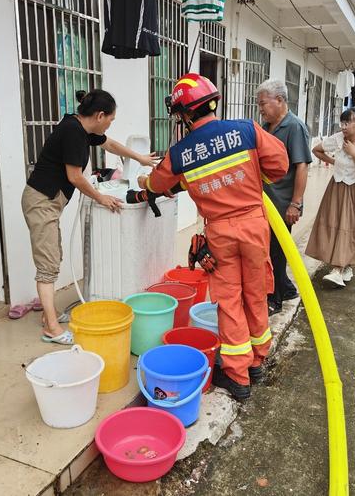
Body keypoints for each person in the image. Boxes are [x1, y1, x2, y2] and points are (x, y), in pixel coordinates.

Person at [137, 73, 288, 401]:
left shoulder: (180, 153)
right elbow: (279, 166)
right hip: (254, 224)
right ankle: (258, 361)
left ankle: (238, 377)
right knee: (256, 292)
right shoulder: (246, 130)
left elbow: (158, 184)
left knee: (230, 301)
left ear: (186, 114)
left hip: (220, 232)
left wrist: (143, 185)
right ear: (212, 102)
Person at [22, 89, 158, 344]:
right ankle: (51, 328)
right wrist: (101, 197)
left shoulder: (79, 127)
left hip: (47, 201)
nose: (110, 124)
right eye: (111, 119)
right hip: (41, 202)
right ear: (100, 115)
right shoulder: (73, 133)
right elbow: (75, 177)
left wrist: (139, 156)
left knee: (53, 256)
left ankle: (47, 317)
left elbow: (110, 144)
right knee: (48, 264)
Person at [256, 79, 312, 316]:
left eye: (263, 104)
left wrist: (295, 204)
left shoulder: (294, 127)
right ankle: (287, 288)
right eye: (258, 105)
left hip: (283, 204)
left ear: (279, 100)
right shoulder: (266, 126)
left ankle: (274, 300)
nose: (260, 109)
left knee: (276, 253)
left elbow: (302, 167)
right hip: (265, 201)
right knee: (268, 250)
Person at [306, 108, 355, 288]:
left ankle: (337, 269)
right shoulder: (337, 139)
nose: (344, 127)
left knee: (349, 228)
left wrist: (354, 154)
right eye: (342, 123)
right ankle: (344, 267)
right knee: (333, 225)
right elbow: (317, 150)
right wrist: (334, 162)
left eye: (348, 123)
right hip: (336, 188)